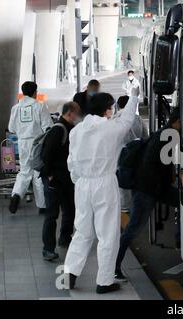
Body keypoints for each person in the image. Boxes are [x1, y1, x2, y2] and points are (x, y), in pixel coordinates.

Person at [64, 93, 138, 294]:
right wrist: (134, 97)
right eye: (112, 107)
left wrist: (78, 181)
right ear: (107, 109)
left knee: (82, 231)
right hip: (104, 183)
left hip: (82, 184)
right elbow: (128, 118)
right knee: (108, 234)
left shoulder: (76, 131)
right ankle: (104, 282)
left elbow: (71, 161)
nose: (113, 111)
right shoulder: (110, 128)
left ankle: (70, 273)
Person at [114, 109, 181, 281]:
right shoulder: (166, 136)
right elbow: (158, 167)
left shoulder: (163, 134)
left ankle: (180, 238)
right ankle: (114, 266)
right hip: (147, 190)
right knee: (133, 229)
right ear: (177, 121)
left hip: (154, 188)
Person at [39, 102, 82, 261]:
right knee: (52, 214)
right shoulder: (59, 129)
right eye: (77, 113)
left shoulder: (71, 128)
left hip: (66, 178)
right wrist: (50, 177)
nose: (78, 117)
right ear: (70, 113)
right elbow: (46, 155)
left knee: (70, 209)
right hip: (54, 179)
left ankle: (65, 238)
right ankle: (48, 249)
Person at [8, 81, 53, 214]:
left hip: (22, 144)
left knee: (24, 171)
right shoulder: (39, 106)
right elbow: (47, 126)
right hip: (37, 144)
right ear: (35, 93)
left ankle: (16, 194)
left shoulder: (16, 108)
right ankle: (42, 205)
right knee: (37, 173)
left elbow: (11, 128)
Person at [114, 96, 149, 213]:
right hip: (137, 157)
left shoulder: (115, 119)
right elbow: (145, 137)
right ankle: (135, 208)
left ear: (118, 106)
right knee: (135, 184)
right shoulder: (138, 119)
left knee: (123, 187)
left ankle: (125, 212)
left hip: (120, 158)